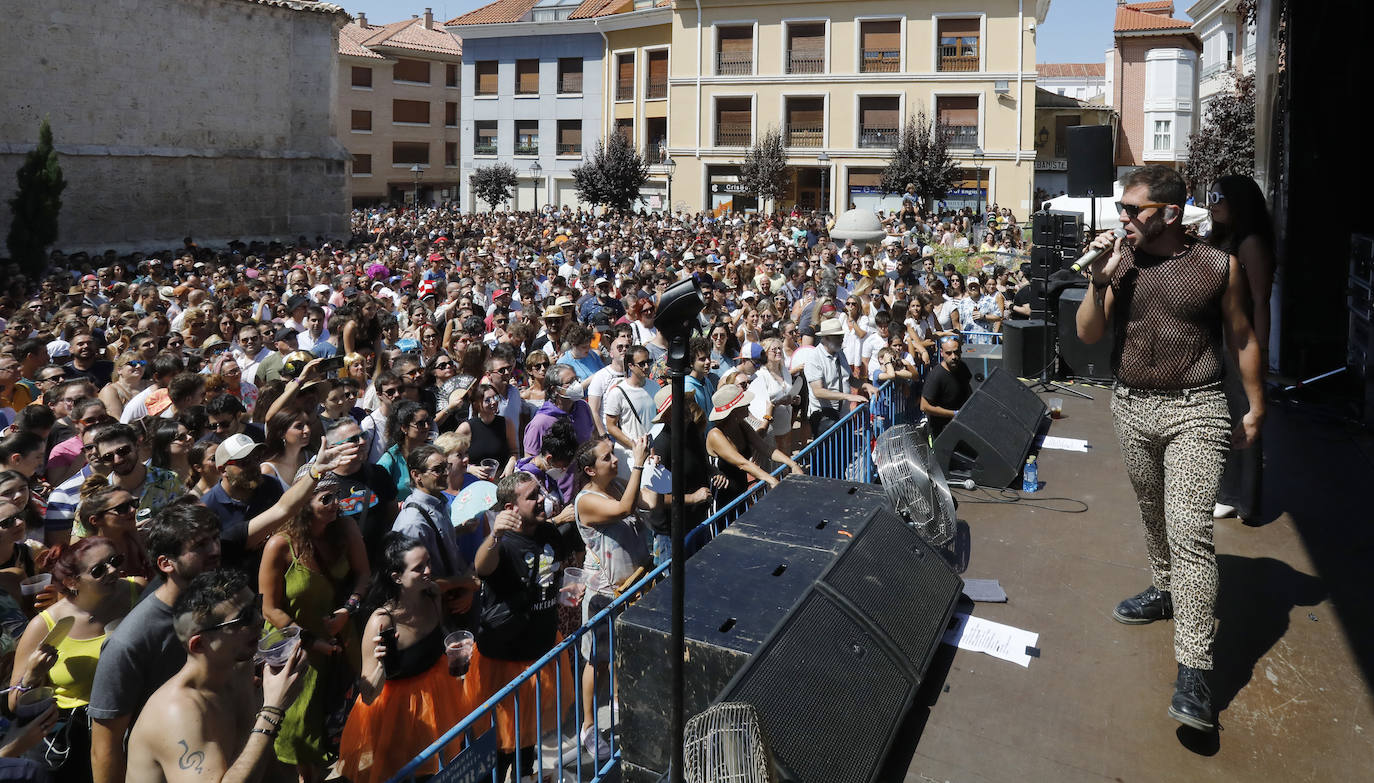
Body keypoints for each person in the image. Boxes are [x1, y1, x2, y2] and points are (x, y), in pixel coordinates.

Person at [1075, 165, 1264, 732]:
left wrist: (1258, 405)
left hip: (1197, 408)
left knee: (1190, 532)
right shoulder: (1122, 266)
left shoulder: (1217, 266)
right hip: (1132, 405)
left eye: (1134, 211)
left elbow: (1243, 337)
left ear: (1171, 214)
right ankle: (1164, 589)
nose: (1123, 220)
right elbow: (1087, 335)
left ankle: (1195, 670)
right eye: (1121, 211)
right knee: (1153, 513)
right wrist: (1099, 282)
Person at [124, 568, 309, 783]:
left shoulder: (239, 668)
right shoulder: (177, 712)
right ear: (200, 644)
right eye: (244, 617)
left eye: (255, 606)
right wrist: (272, 711)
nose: (259, 620)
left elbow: (258, 756)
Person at [88, 501, 222, 783]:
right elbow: (105, 747)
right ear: (165, 563)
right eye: (199, 546)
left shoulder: (217, 603)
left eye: (215, 539)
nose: (215, 551)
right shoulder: (129, 642)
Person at [338, 534, 476, 783]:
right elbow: (369, 695)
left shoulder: (433, 593)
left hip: (438, 696)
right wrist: (381, 665)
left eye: (428, 563)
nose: (428, 571)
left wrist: (456, 648)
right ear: (396, 577)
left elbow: (440, 636)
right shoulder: (381, 622)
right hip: (397, 713)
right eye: (419, 568)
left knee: (440, 769)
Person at [259, 473, 370, 782]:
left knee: (346, 726)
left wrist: (347, 611)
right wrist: (309, 641)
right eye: (326, 498)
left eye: (338, 496)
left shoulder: (345, 528)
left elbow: (363, 575)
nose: (337, 504)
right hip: (299, 651)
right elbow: (269, 608)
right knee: (302, 738)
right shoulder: (280, 545)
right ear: (303, 502)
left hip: (341, 642)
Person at [467, 472, 576, 783]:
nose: (541, 498)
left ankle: (526, 776)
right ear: (510, 508)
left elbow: (545, 581)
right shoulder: (502, 544)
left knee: (528, 740)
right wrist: (494, 535)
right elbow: (481, 567)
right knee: (501, 747)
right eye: (532, 496)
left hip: (540, 653)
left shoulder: (550, 534)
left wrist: (562, 594)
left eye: (539, 491)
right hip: (504, 662)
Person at [8, 537, 142, 783]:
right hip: (74, 736)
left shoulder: (136, 591)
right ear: (72, 582)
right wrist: (33, 675)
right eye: (99, 570)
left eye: (115, 561)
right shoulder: (44, 625)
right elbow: (14, 703)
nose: (113, 571)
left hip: (134, 719)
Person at [567, 436, 652, 763]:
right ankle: (589, 726)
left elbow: (647, 504)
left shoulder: (616, 483)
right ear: (590, 469)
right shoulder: (586, 500)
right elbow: (624, 509)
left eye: (613, 455)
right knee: (597, 661)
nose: (614, 460)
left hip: (633, 587)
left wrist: (654, 472)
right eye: (607, 458)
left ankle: (620, 698)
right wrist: (639, 463)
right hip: (604, 594)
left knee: (624, 652)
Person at [1206, 174, 1275, 522]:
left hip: (1240, 336)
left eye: (1220, 197)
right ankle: (1226, 489)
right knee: (1223, 413)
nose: (1212, 202)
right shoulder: (1222, 238)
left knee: (1243, 411)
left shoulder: (1249, 242)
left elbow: (1262, 301)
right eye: (1211, 195)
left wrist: (1260, 350)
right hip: (1220, 335)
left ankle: (1240, 496)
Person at [705, 384, 804, 507]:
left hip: (740, 492)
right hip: (721, 496)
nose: (749, 405)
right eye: (744, 404)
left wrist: (792, 464)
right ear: (734, 412)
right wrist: (770, 479)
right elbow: (742, 463)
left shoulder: (742, 425)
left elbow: (766, 448)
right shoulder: (715, 435)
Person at [802, 318, 867, 435]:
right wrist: (847, 396)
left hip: (843, 415)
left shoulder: (839, 352)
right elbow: (818, 391)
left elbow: (849, 379)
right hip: (823, 418)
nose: (841, 339)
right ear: (825, 338)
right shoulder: (814, 358)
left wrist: (866, 386)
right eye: (837, 337)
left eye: (841, 336)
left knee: (846, 450)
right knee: (826, 452)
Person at [920, 336, 972, 438]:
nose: (953, 356)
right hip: (941, 430)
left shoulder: (962, 366)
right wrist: (953, 413)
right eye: (948, 353)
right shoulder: (936, 376)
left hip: (961, 425)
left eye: (956, 352)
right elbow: (924, 406)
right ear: (941, 353)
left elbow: (967, 387)